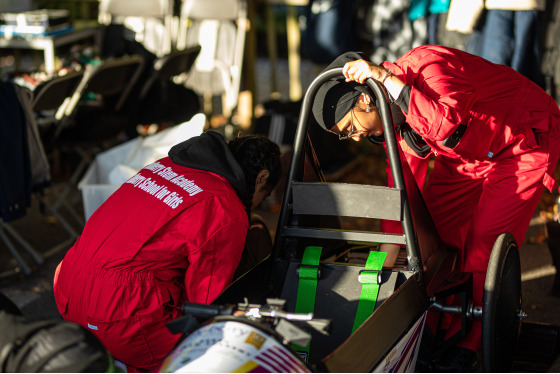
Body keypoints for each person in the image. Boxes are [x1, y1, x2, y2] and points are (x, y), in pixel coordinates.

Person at [312, 47, 560, 371]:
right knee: (433, 231)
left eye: (350, 128)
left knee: (482, 242)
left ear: (364, 100)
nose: (356, 139)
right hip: (467, 159)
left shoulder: (428, 68)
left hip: (521, 143)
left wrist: (387, 80)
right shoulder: (390, 123)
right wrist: (374, 281)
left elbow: (446, 125)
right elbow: (400, 203)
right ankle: (432, 327)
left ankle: (471, 344)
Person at [53, 131, 282, 372]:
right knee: (203, 349)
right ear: (261, 178)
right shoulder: (225, 207)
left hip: (69, 291)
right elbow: (206, 304)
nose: (258, 203)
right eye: (264, 195)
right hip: (119, 318)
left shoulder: (164, 167)